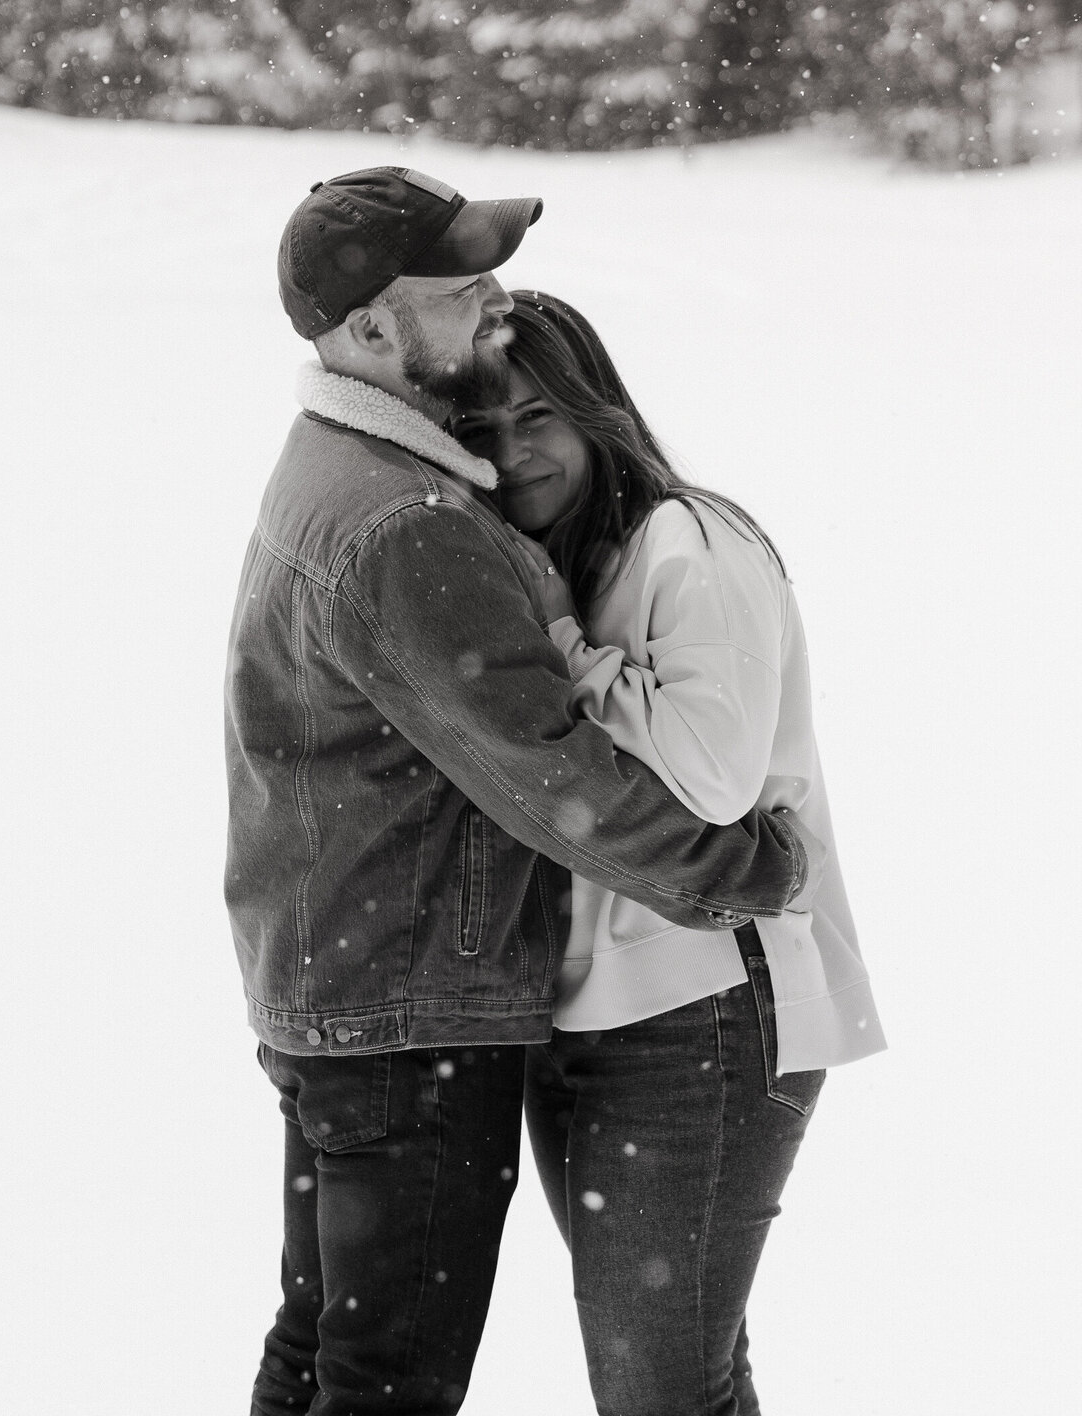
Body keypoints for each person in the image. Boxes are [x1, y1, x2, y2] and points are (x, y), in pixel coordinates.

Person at [224, 168, 814, 1416]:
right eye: (462, 287)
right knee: (385, 1379)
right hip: (408, 1013)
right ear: (373, 330)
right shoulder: (406, 522)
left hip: (347, 989)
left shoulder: (338, 467)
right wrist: (746, 873)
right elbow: (552, 776)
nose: (495, 299)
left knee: (333, 1355)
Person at [452, 290, 885, 1416]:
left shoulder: (690, 546)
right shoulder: (565, 560)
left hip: (710, 1008)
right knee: (678, 1371)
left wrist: (558, 641)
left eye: (537, 415)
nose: (514, 452)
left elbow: (711, 779)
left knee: (660, 1385)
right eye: (482, 433)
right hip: (591, 1013)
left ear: (599, 410)